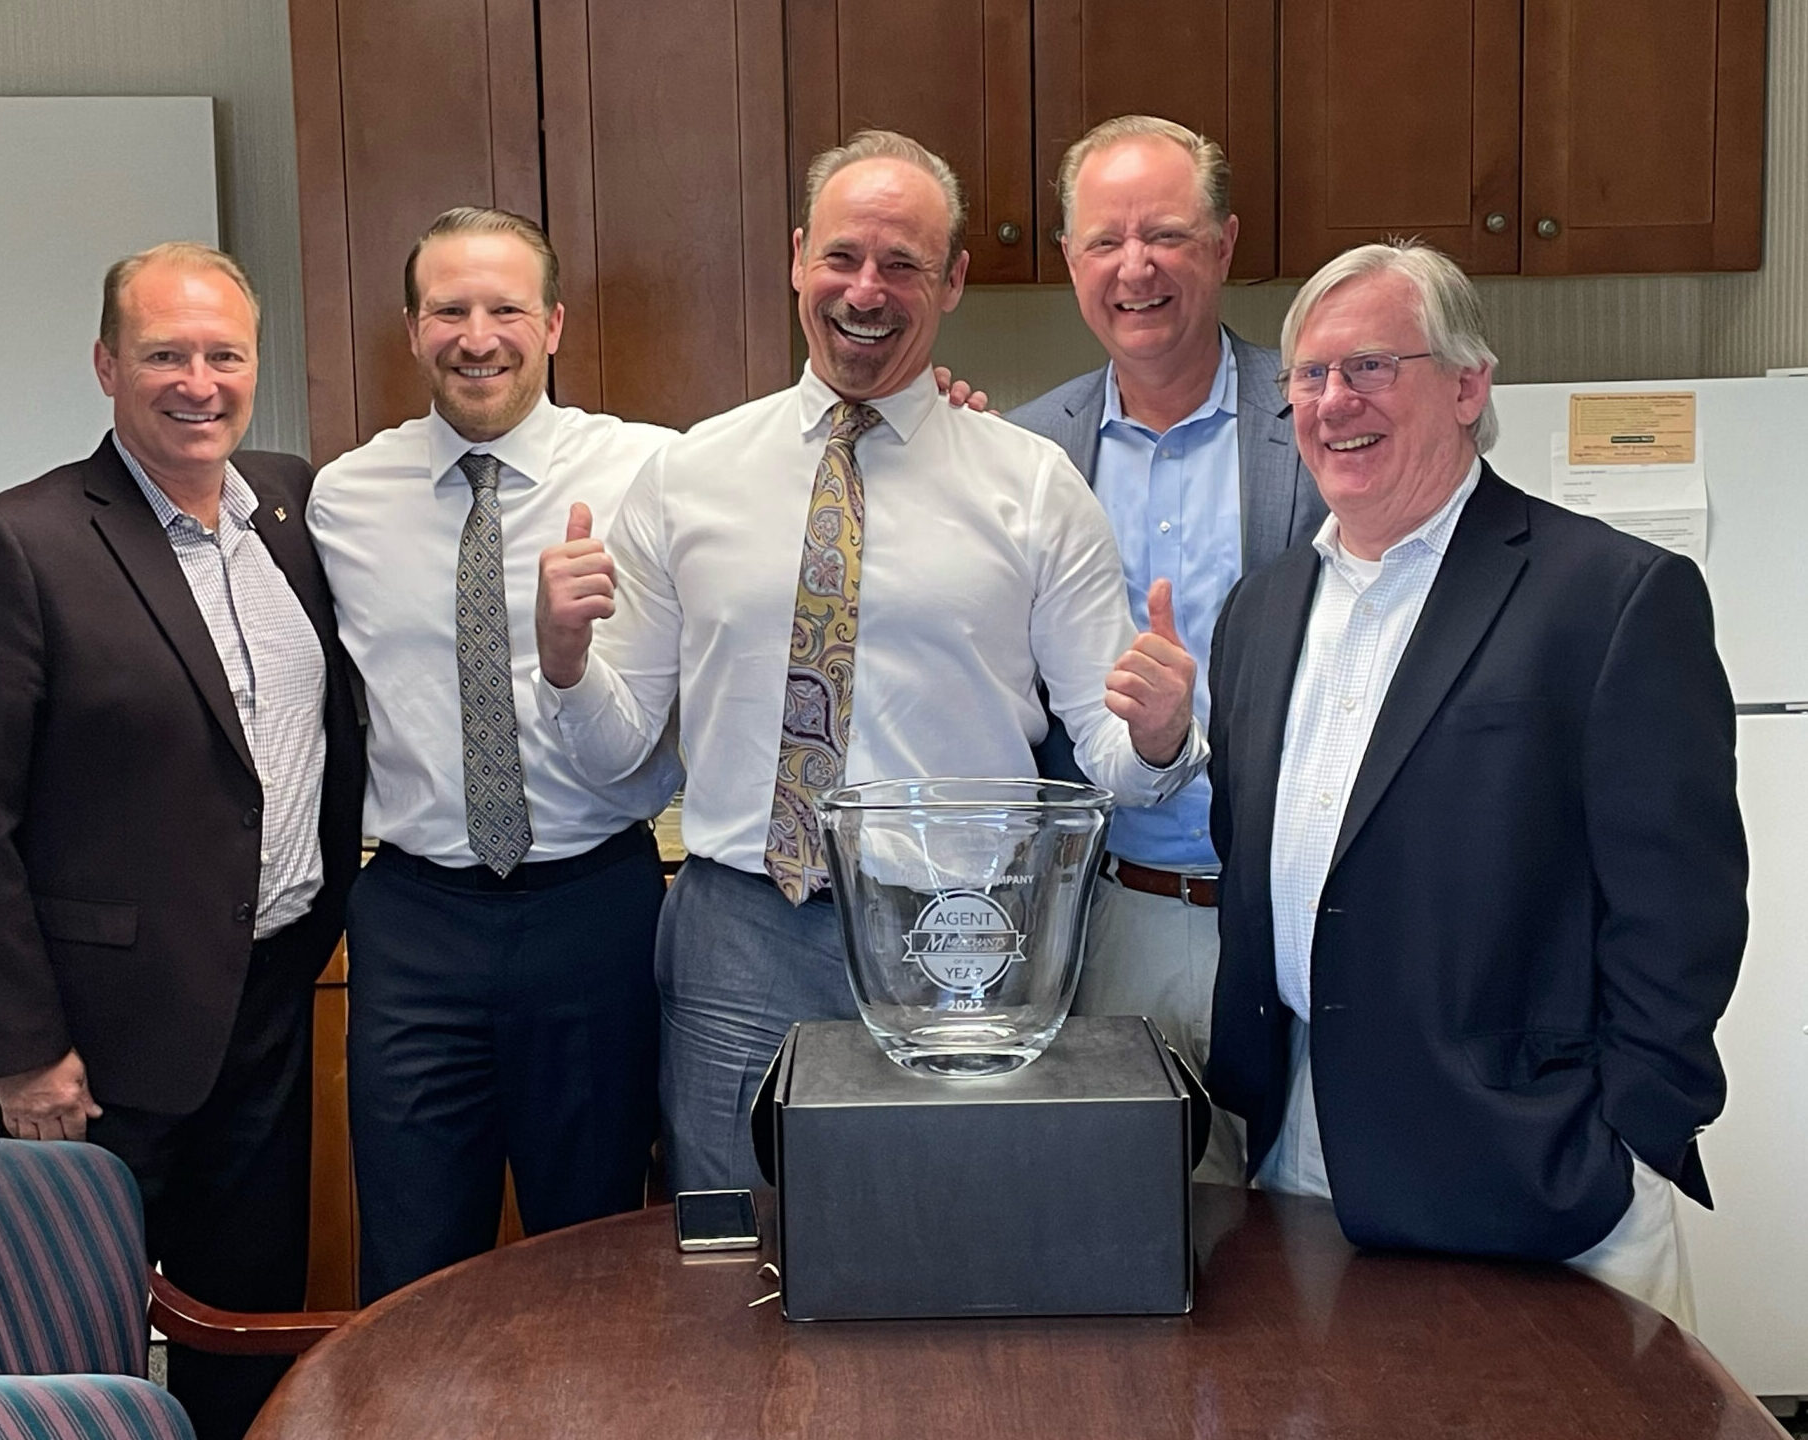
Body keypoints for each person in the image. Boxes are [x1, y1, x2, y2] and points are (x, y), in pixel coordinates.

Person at [536, 130, 1205, 1193]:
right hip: (744, 930)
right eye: (844, 256)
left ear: (951, 283)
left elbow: (1115, 753)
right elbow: (624, 760)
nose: (867, 288)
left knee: (957, 1233)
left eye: (903, 265)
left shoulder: (1031, 487)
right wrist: (566, 664)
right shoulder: (688, 476)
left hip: (964, 933)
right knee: (734, 1242)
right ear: (800, 257)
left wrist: (1163, 732)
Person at [1204, 240, 1746, 1327]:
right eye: (1307, 376)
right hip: (1301, 1156)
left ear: (1467, 385)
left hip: (1536, 1177)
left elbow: (1681, 911)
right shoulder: (1259, 612)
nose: (1332, 401)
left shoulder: (1612, 597)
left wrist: (1632, 1133)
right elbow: (1249, 863)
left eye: (1369, 367)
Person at [0, 242, 364, 1439]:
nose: (196, 381)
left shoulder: (298, 507)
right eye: (164, 353)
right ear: (108, 365)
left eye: (224, 355)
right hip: (97, 1048)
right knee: (72, 1352)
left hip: (270, 1004)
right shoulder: (15, 546)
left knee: (243, 1329)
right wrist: (22, 1051)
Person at [306, 208, 684, 1304]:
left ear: (554, 322)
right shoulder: (342, 499)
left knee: (601, 1250)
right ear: (414, 328)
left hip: (596, 909)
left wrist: (935, 407)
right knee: (415, 1267)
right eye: (451, 311)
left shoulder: (654, 471)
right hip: (416, 920)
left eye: (507, 308)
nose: (480, 336)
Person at [1007, 117, 1325, 1185]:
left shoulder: (1325, 418)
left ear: (1226, 245)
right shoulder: (1019, 451)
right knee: (1139, 1227)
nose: (1134, 266)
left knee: (1316, 1237)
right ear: (1070, 263)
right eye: (1105, 241)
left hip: (1292, 912)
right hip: (1117, 918)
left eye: (1167, 235)